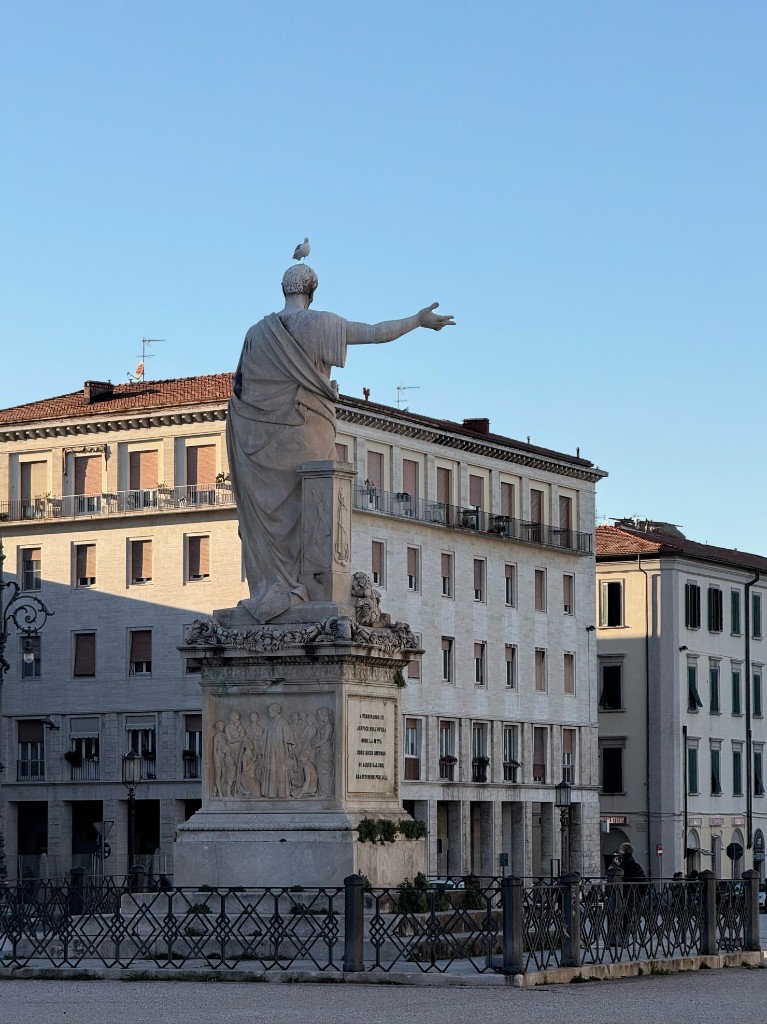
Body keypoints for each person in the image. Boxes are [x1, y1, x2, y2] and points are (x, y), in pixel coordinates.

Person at [226, 263, 455, 623]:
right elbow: (376, 333)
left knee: (277, 515)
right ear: (312, 292)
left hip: (257, 441)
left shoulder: (256, 333)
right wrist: (417, 321)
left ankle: (278, 584)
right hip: (307, 427)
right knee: (316, 503)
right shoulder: (320, 324)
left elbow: (240, 393)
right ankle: (310, 587)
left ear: (282, 289)